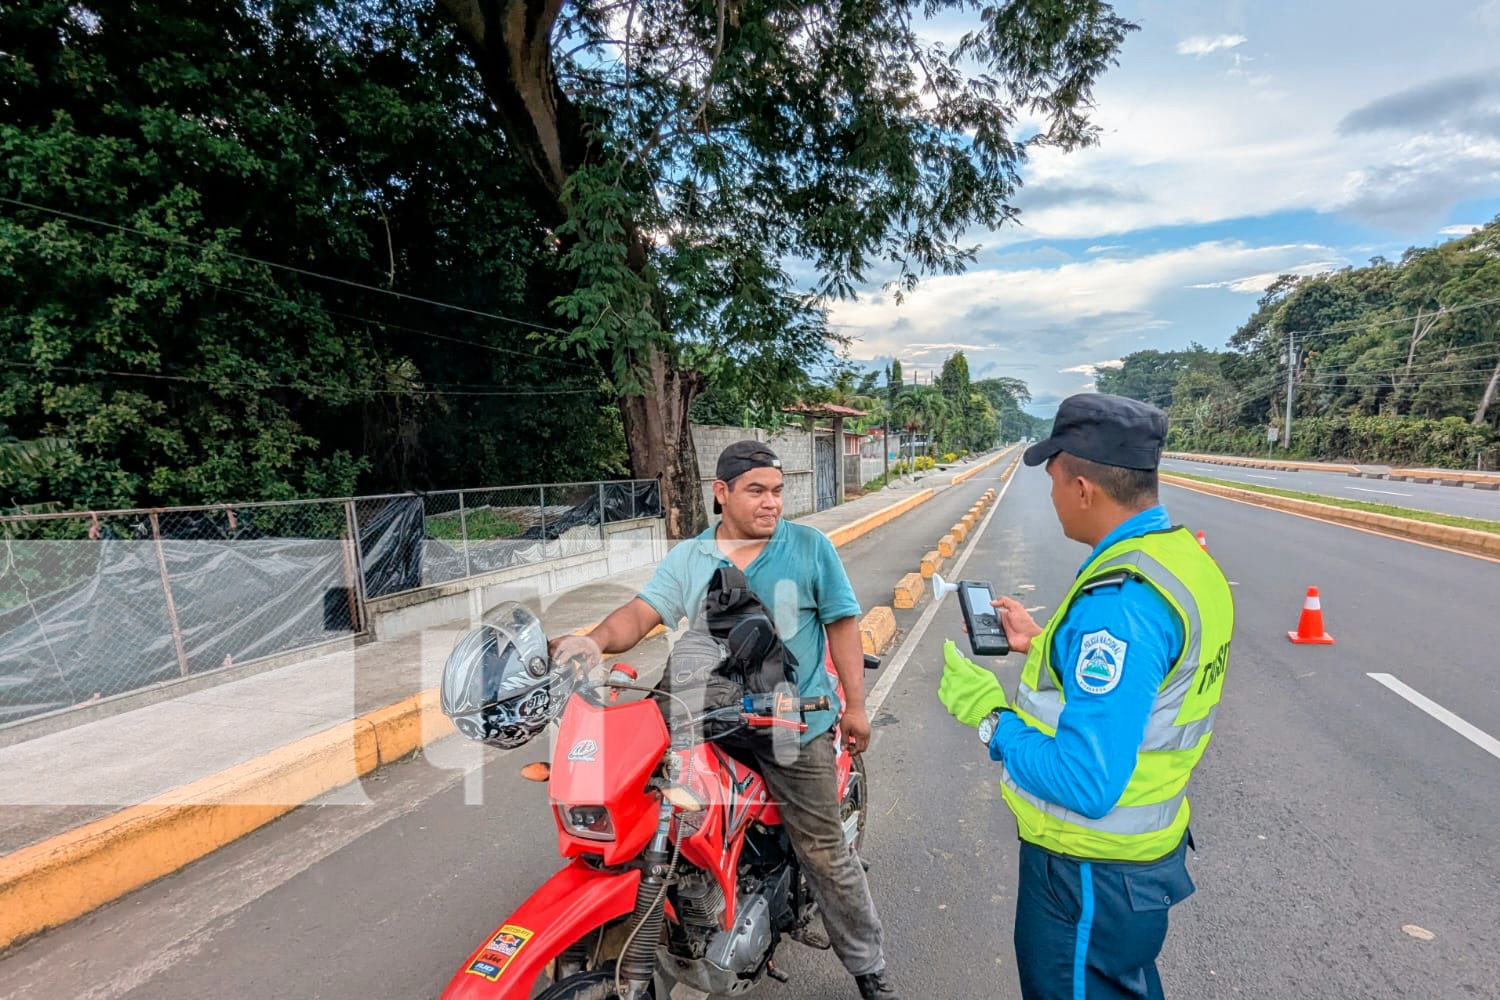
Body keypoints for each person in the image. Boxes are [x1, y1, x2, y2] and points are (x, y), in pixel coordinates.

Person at [553, 440, 901, 1000]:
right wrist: (591, 641)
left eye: (778, 491)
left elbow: (841, 625)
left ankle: (870, 969)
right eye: (757, 491)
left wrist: (854, 708)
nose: (772, 503)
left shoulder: (809, 548)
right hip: (706, 717)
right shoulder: (691, 557)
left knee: (823, 851)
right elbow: (642, 614)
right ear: (722, 493)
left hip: (792, 727)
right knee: (646, 813)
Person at [937, 393, 1235, 1000]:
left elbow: (1085, 783)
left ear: (1083, 487)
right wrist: (1041, 644)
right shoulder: (1181, 560)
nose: (1050, 498)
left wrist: (990, 716)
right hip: (1140, 858)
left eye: (1051, 481)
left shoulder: (1120, 600)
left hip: (1089, 871)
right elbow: (1147, 682)